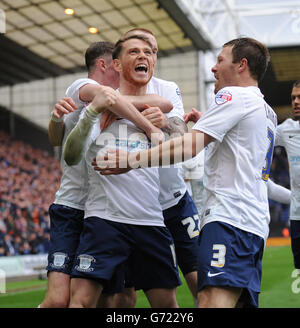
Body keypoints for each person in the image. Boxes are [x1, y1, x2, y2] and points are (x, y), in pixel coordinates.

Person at [96, 37, 276, 308]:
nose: (214, 69)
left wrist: (131, 160)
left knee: (210, 300)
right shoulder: (267, 110)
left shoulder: (233, 96)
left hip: (230, 219)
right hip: (254, 223)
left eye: (220, 60)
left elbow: (190, 145)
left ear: (242, 65)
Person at [40, 41, 167, 308]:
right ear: (105, 64)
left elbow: (162, 102)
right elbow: (58, 142)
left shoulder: (118, 101)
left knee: (114, 300)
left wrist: (115, 102)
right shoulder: (80, 87)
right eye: (119, 63)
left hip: (107, 211)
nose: (125, 70)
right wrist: (144, 122)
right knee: (58, 300)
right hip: (75, 206)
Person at [107, 28, 200, 307]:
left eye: (152, 50)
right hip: (132, 210)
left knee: (200, 280)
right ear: (121, 58)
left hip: (174, 200)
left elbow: (182, 132)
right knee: (125, 296)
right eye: (138, 48)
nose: (146, 54)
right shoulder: (108, 95)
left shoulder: (167, 88)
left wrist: (163, 122)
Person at [274, 80, 300, 271]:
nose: (296, 102)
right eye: (293, 98)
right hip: (297, 215)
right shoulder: (286, 129)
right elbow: (258, 138)